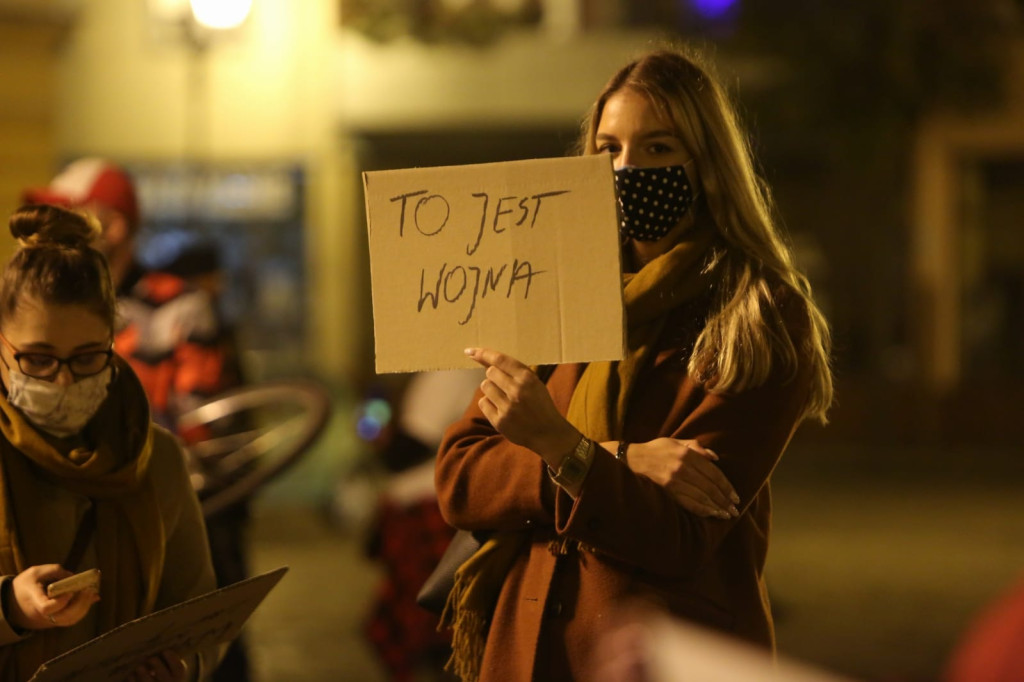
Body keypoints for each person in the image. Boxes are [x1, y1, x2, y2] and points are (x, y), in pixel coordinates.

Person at [434, 46, 833, 682]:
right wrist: (618, 457)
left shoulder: (757, 315)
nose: (627, 168)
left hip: (653, 657)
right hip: (527, 649)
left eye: (658, 149)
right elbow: (460, 477)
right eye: (609, 150)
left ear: (706, 165)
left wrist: (560, 445)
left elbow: (679, 535)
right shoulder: (557, 291)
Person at [0, 204, 219, 681]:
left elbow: (199, 612)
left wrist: (184, 666)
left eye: (86, 358)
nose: (61, 382)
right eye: (37, 360)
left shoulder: (153, 456)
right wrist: (9, 607)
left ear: (114, 344)